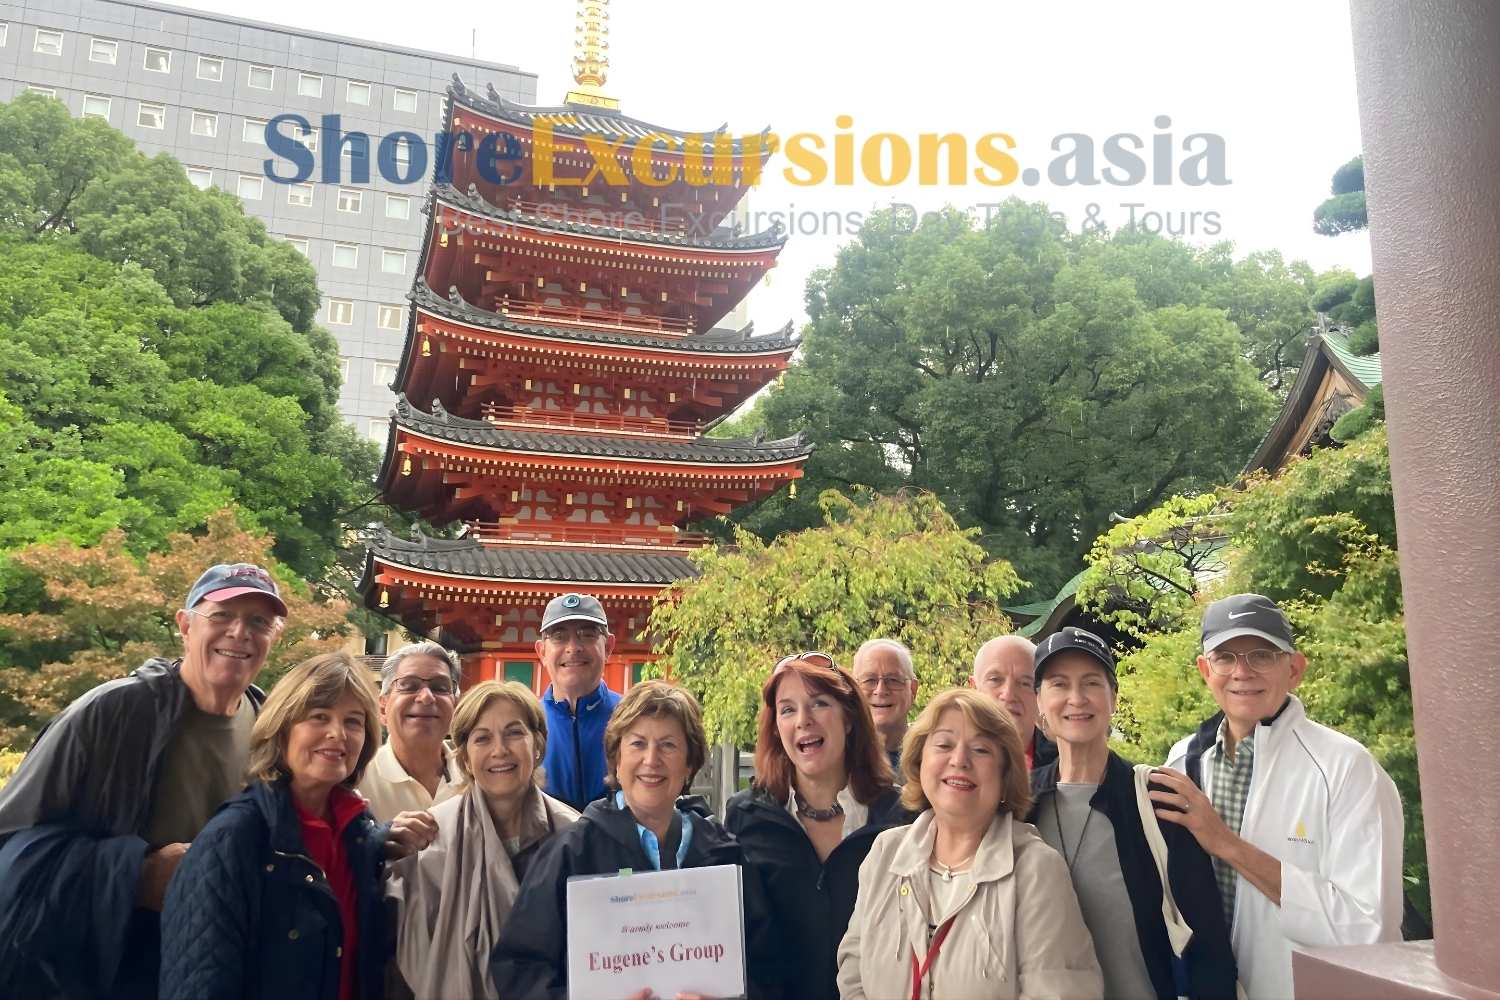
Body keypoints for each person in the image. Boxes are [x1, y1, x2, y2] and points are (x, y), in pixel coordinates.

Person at [0, 563, 287, 999]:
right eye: (222, 616)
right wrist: (136, 874)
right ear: (185, 626)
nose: (240, 632)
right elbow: (11, 840)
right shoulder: (111, 711)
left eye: (258, 622)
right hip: (111, 961)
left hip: (222, 958)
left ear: (274, 639)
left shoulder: (272, 728)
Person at [1156, 593, 1405, 1000]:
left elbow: (1368, 929)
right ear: (1205, 670)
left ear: (1295, 669)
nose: (1242, 672)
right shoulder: (1183, 761)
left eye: (1261, 655)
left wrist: (1227, 845)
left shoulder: (1345, 768)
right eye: (1225, 657)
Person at [159, 651, 434, 1000]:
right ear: (283, 728)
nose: (338, 734)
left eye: (353, 721)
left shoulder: (358, 836)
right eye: (319, 717)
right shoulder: (234, 839)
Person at [491, 680, 778, 999]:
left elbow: (766, 965)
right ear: (616, 759)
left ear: (689, 763)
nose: (651, 760)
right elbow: (520, 967)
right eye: (638, 744)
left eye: (668, 745)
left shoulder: (724, 854)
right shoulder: (572, 852)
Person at [837, 687, 1102, 1000]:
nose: (959, 760)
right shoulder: (885, 853)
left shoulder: (1035, 870)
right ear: (919, 763)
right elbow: (853, 971)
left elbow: (1058, 994)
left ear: (1006, 774)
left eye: (981, 750)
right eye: (944, 744)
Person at [1028, 627, 1237, 1000]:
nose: (1076, 698)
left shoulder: (1158, 800)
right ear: (1039, 702)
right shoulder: (1019, 803)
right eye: (1059, 684)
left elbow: (1207, 943)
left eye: (1092, 683)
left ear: (1114, 698)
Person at [725, 652, 907, 1000]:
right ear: (777, 728)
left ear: (849, 719)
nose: (803, 721)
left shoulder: (899, 817)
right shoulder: (745, 817)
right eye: (788, 709)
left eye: (819, 703)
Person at [386, 680, 580, 999]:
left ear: (539, 745)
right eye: (482, 738)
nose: (499, 750)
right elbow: (407, 954)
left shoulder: (573, 834)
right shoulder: (429, 836)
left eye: (514, 733)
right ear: (464, 758)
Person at [357, 642, 464, 822]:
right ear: (383, 709)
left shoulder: (476, 775)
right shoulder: (356, 780)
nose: (427, 697)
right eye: (409, 685)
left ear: (455, 706)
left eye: (440, 687)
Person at [535, 592, 620, 810]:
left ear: (608, 646)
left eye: (587, 634)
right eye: (559, 636)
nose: (573, 647)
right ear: (542, 651)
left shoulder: (631, 717)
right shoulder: (525, 722)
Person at [973, 634, 1057, 769]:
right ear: (973, 688)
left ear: (1041, 696)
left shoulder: (1065, 769)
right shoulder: (945, 759)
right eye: (995, 680)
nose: (1009, 695)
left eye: (1025, 683)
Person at [850, 638, 919, 773]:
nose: (881, 691)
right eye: (869, 680)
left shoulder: (932, 756)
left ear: (913, 689)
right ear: (853, 688)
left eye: (893, 680)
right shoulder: (835, 757)